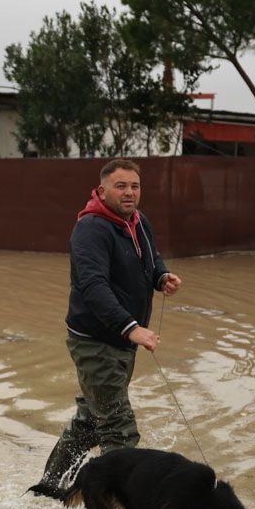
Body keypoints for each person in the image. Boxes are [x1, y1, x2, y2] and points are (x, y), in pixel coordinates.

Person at [37, 158, 182, 491]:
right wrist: (131, 327)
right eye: (121, 186)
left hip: (121, 342)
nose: (129, 192)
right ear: (102, 191)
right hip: (95, 343)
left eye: (135, 186)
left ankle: (48, 488)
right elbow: (93, 286)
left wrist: (162, 277)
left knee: (89, 424)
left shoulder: (138, 221)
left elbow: (151, 258)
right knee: (119, 431)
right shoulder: (91, 229)